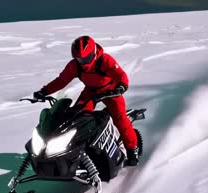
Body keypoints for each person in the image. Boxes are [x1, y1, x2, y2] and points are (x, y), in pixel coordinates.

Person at [33, 35, 141, 165]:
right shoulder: (75, 65)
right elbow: (61, 80)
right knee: (77, 117)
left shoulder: (105, 60)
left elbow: (121, 75)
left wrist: (120, 87)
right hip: (90, 91)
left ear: (94, 53)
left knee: (120, 118)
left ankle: (132, 150)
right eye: (80, 59)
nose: (83, 62)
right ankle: (77, 148)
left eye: (87, 58)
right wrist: (44, 91)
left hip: (110, 91)